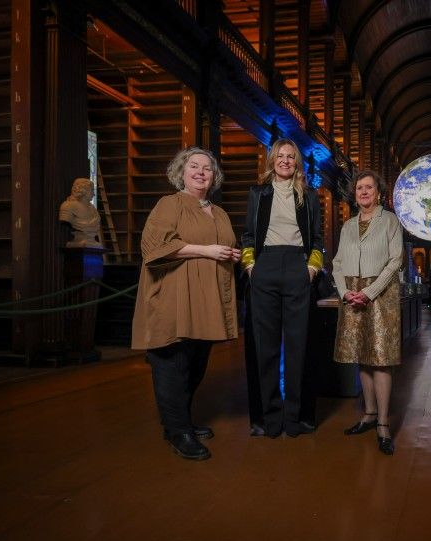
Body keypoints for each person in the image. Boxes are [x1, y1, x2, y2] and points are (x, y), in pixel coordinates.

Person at [131, 146, 240, 461]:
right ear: (182, 171)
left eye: (207, 168)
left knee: (196, 365)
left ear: (213, 176)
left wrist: (228, 254)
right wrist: (207, 251)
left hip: (206, 302)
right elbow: (153, 248)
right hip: (174, 298)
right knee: (172, 365)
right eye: (194, 166)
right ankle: (178, 431)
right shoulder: (171, 204)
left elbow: (223, 246)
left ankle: (179, 421)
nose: (201, 172)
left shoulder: (218, 212)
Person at [240, 138, 323, 438]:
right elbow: (248, 236)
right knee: (265, 346)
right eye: (280, 156)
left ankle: (296, 418)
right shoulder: (257, 193)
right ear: (272, 160)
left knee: (299, 345)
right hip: (265, 267)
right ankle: (267, 419)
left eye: (291, 157)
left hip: (298, 268)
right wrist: (251, 268)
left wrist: (311, 270)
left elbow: (318, 240)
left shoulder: (309, 196)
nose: (285, 161)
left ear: (296, 163)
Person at [332, 170, 403, 455]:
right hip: (351, 293)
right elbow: (337, 262)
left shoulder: (390, 221)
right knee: (362, 355)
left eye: (369, 187)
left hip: (380, 295)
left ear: (378, 192)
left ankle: (384, 424)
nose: (363, 192)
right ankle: (369, 414)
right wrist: (344, 292)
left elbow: (396, 260)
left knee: (381, 358)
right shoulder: (348, 225)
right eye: (359, 188)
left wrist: (369, 292)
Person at [58, 177, 102, 248]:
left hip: (91, 243)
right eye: (92, 190)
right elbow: (65, 219)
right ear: (83, 190)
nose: (93, 194)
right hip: (79, 244)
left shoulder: (93, 209)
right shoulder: (68, 206)